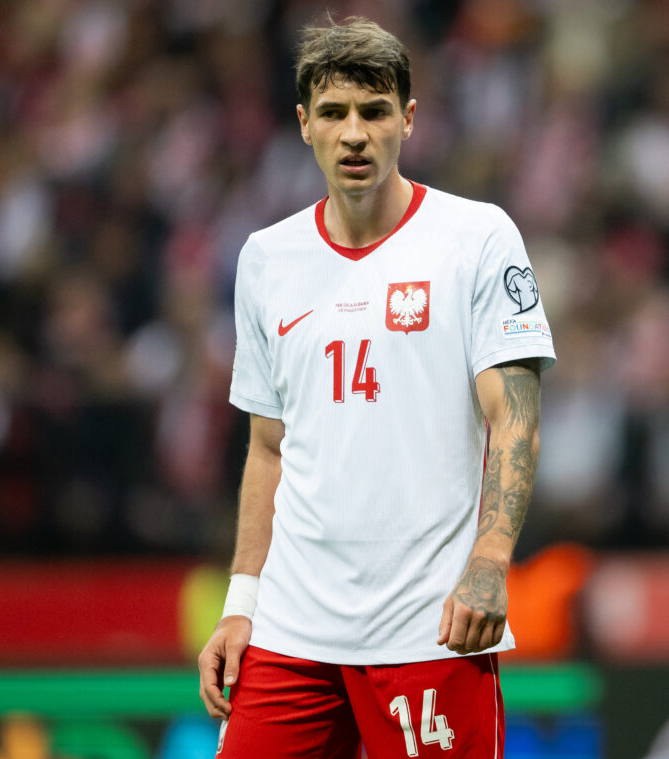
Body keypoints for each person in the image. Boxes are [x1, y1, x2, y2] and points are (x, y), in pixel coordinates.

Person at [197, 16, 556, 758]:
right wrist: (242, 605)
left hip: (429, 626)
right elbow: (268, 449)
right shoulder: (266, 259)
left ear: (408, 119)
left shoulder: (478, 240)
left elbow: (512, 419)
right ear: (303, 125)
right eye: (333, 113)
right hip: (292, 631)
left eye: (374, 111)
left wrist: (491, 560)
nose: (354, 133)